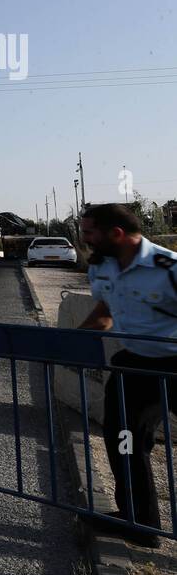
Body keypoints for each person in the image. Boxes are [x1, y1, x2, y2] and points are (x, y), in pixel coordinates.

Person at [77, 203, 177, 546]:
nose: (84, 238)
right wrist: (69, 342)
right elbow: (104, 314)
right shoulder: (102, 267)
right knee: (124, 440)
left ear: (115, 234)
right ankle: (140, 522)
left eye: (89, 232)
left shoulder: (168, 268)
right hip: (135, 364)